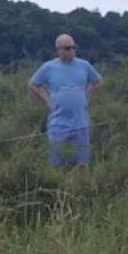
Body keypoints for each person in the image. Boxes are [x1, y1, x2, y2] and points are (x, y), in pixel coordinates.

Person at [28, 34, 103, 171]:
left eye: (74, 47)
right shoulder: (49, 67)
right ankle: (59, 188)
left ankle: (81, 188)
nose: (72, 51)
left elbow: (98, 82)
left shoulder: (84, 65)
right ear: (59, 50)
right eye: (68, 48)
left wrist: (88, 97)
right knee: (57, 162)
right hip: (58, 122)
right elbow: (33, 85)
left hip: (80, 121)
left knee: (82, 162)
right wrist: (47, 102)